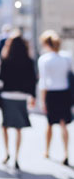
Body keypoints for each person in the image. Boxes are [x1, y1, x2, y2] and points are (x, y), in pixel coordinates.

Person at [0, 32, 37, 170]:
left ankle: (7, 152)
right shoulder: (28, 60)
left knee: (5, 126)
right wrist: (33, 96)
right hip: (21, 96)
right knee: (19, 128)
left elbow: (0, 77)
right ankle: (16, 156)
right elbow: (33, 79)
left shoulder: (6, 59)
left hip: (7, 95)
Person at [38, 30, 71, 165]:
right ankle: (66, 153)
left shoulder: (44, 59)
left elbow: (43, 82)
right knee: (64, 124)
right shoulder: (67, 57)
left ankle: (47, 150)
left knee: (50, 124)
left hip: (51, 93)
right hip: (64, 92)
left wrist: (42, 100)